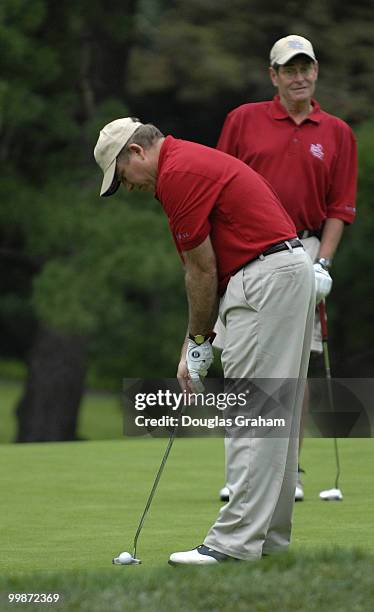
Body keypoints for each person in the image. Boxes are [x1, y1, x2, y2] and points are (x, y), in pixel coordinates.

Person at [94, 116, 315, 564]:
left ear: (135, 153)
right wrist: (197, 342)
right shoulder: (190, 158)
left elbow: (201, 269)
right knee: (276, 413)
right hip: (285, 271)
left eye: (121, 176)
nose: (129, 186)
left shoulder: (176, 175)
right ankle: (268, 539)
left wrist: (196, 341)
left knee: (256, 411)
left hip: (264, 279)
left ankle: (233, 544)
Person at [215, 34, 357, 502]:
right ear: (273, 75)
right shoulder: (243, 120)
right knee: (242, 361)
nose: (299, 77)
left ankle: (287, 472)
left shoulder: (337, 132)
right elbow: (221, 190)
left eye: (306, 68)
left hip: (305, 250)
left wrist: (324, 262)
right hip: (246, 252)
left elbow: (340, 206)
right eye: (289, 70)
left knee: (296, 365)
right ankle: (243, 473)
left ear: (316, 71)